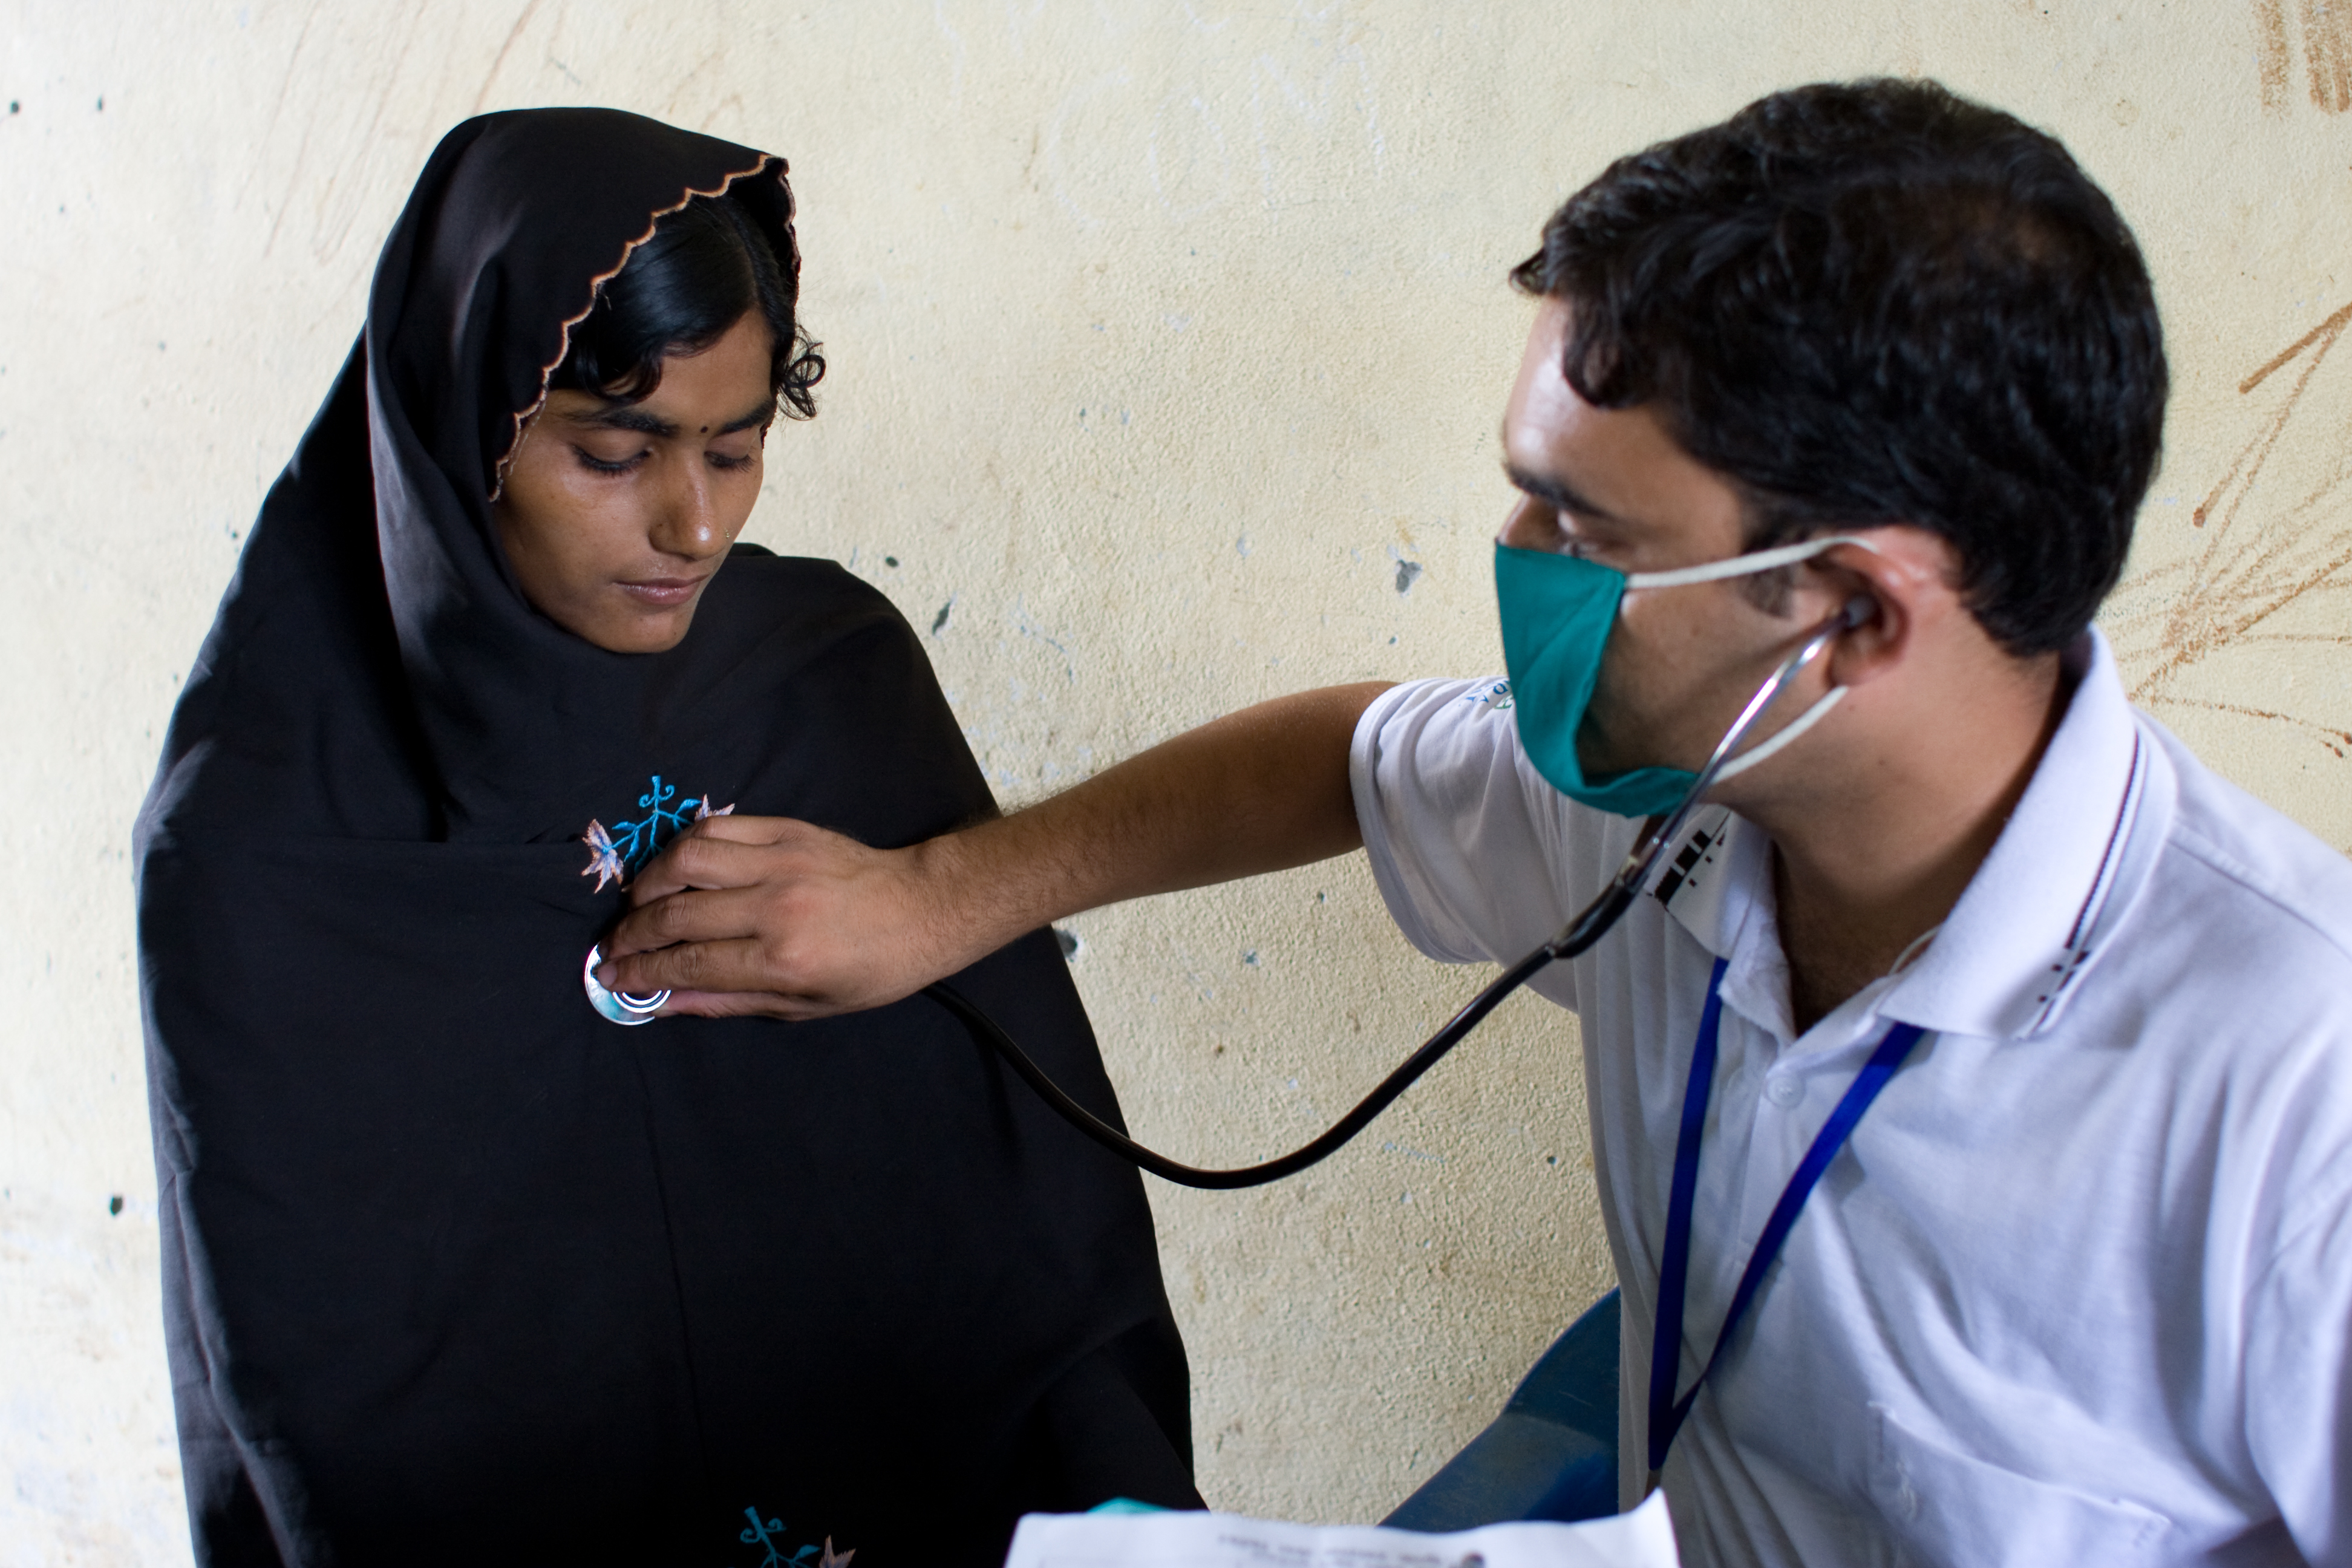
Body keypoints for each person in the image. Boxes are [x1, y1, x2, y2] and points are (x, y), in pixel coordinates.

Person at [599, 80, 2352, 1566]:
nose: (1515, 565)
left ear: (1855, 618)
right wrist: (937, 897)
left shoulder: (2295, 1112)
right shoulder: (1678, 803)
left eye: (1584, 532)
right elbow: (1351, 758)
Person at [134, 108, 1198, 1568]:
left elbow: (1029, 1233)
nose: (694, 527)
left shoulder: (826, 681)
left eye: (738, 448)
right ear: (464, 427)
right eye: (613, 453)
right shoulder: (267, 849)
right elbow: (333, 1405)